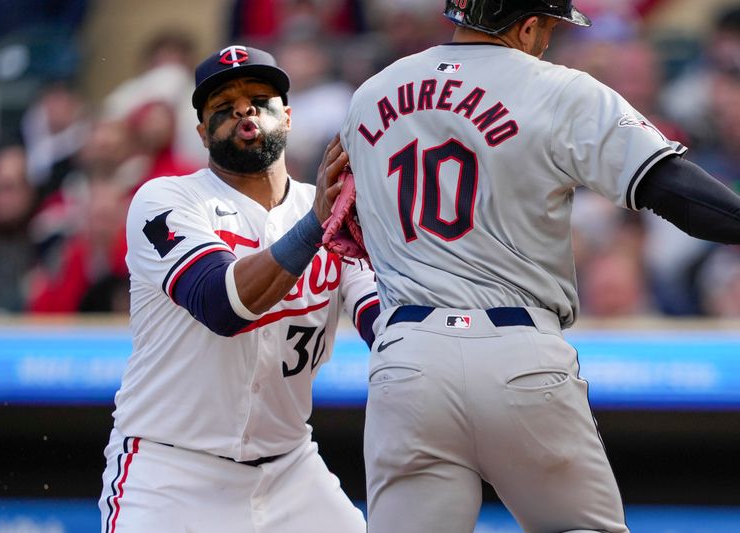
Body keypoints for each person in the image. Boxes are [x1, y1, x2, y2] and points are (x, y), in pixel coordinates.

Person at [338, 1, 740, 532]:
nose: (547, 40)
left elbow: (341, 229)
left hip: (405, 359)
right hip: (516, 349)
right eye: (547, 27)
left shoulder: (369, 95)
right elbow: (680, 194)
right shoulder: (558, 87)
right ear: (527, 25)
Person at [98, 45, 378, 533]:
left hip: (291, 470)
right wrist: (317, 224)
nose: (244, 109)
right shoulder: (165, 200)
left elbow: (380, 321)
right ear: (202, 132)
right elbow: (222, 305)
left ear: (288, 117)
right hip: (170, 473)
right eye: (223, 105)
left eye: (260, 98)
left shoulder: (328, 209)